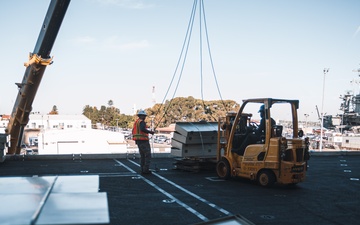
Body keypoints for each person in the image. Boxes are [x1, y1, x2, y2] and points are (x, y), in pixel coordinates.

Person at [132, 110, 155, 174]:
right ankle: (146, 169)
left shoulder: (136, 122)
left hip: (138, 141)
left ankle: (143, 169)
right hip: (143, 141)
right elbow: (142, 129)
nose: (145, 117)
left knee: (142, 156)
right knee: (147, 155)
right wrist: (150, 132)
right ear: (141, 116)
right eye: (144, 116)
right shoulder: (142, 122)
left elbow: (134, 131)